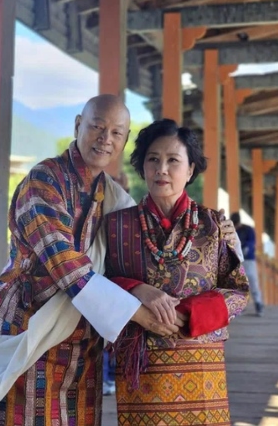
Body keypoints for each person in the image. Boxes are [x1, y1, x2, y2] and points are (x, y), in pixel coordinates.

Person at [0, 95, 180, 426]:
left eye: (116, 133)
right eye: (97, 127)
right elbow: (65, 264)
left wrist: (212, 230)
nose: (106, 139)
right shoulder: (44, 181)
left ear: (125, 140)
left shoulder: (112, 196)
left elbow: (141, 250)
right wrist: (138, 313)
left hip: (84, 342)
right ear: (78, 126)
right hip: (32, 331)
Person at [103, 118, 250, 425]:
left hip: (200, 360)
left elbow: (238, 291)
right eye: (153, 159)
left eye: (173, 160)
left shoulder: (214, 224)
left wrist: (186, 314)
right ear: (142, 167)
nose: (162, 169)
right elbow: (95, 284)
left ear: (190, 170)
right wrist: (137, 290)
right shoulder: (116, 226)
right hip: (142, 363)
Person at [231, 211, 264, 316]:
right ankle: (240, 305)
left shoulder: (248, 229)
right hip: (236, 260)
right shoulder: (232, 230)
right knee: (238, 282)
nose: (236, 227)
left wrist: (246, 248)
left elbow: (251, 242)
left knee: (253, 280)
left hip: (249, 259)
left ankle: (258, 304)